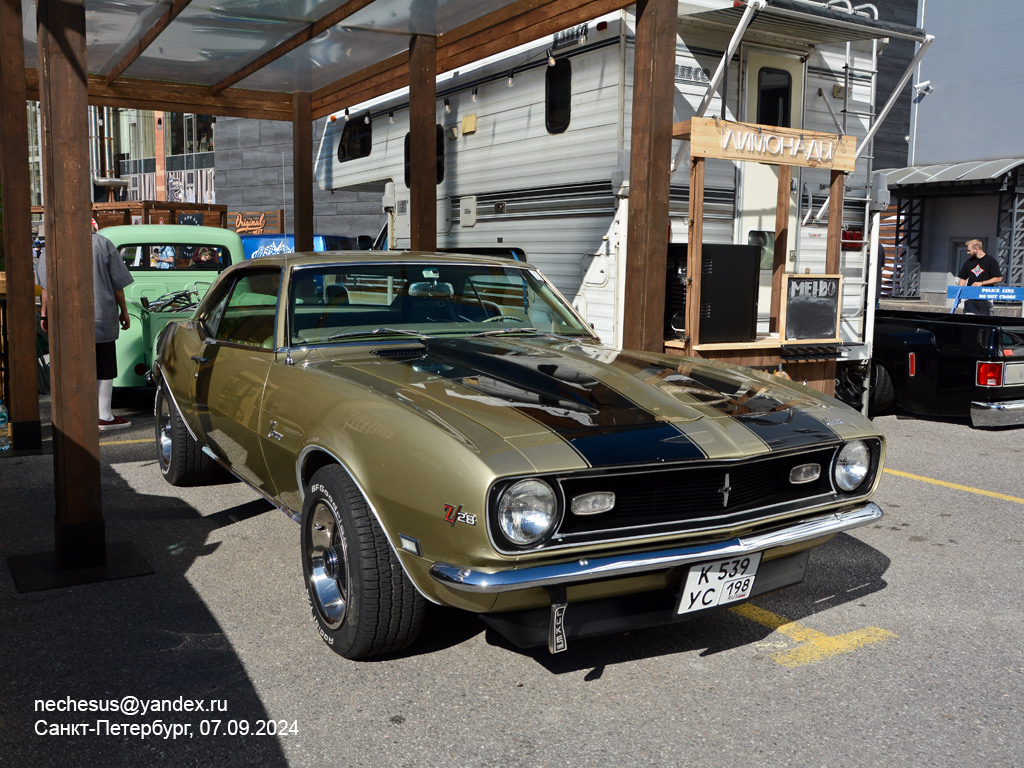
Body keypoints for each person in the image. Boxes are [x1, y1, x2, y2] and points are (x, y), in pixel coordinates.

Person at [36, 222, 135, 430]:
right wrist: (124, 311)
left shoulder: (52, 246)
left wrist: (44, 314)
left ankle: (72, 416)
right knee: (105, 365)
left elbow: (46, 287)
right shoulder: (102, 243)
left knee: (69, 365)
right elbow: (117, 284)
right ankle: (104, 416)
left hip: (65, 318)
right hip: (100, 313)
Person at [957, 239, 1002, 315]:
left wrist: (982, 283)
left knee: (985, 321)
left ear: (976, 249)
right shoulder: (968, 262)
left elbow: (998, 278)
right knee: (969, 320)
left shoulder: (991, 261)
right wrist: (958, 295)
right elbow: (963, 279)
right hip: (971, 297)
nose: (968, 252)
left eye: (969, 250)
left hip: (985, 297)